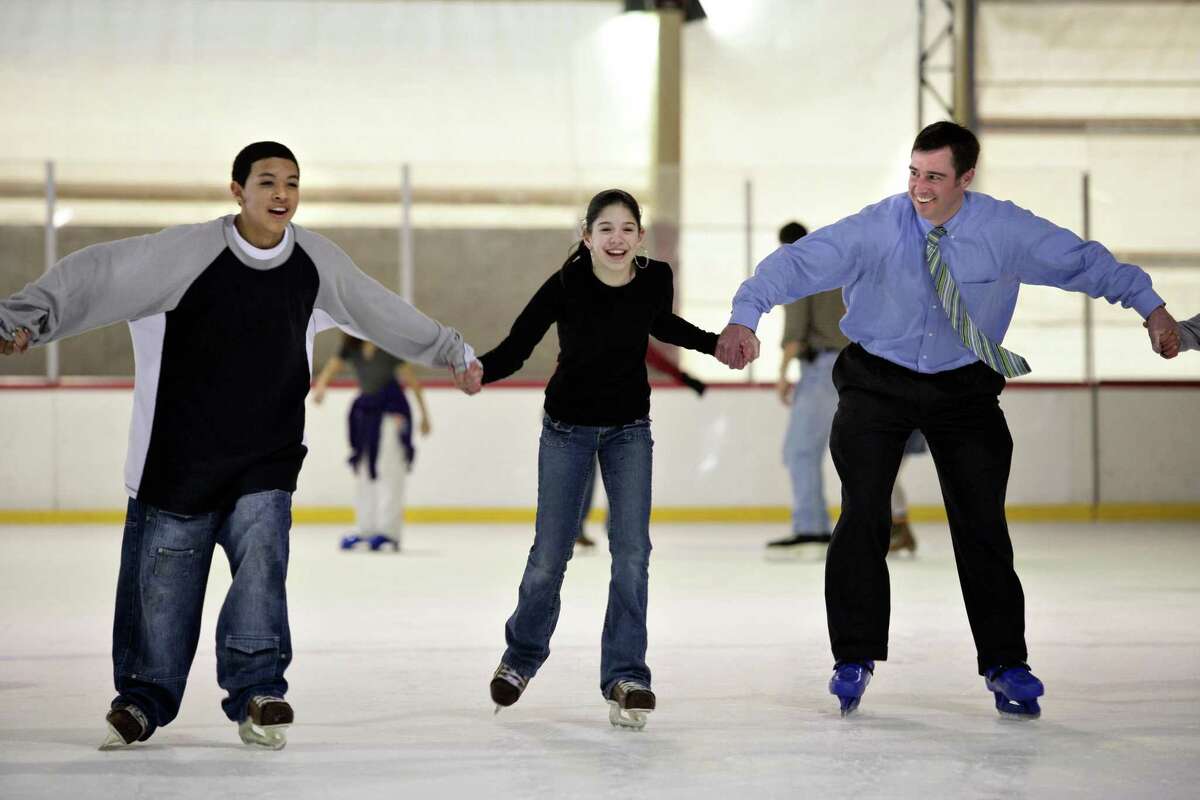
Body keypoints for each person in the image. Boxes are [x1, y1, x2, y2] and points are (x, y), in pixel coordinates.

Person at [0, 141, 482, 750]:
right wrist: (26, 319)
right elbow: (94, 276)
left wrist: (451, 352)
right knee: (163, 591)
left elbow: (378, 310)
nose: (281, 194)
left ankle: (259, 690)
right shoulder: (183, 255)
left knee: (262, 570)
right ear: (237, 190)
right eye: (267, 182)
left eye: (292, 183)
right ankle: (143, 700)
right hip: (176, 461)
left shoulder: (314, 262)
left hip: (266, 457)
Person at [715, 121, 1179, 719]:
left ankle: (1007, 664)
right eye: (914, 172)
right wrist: (744, 314)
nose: (920, 187)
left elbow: (1083, 263)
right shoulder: (879, 226)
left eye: (935, 176)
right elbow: (799, 264)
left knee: (982, 522)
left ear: (966, 177)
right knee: (863, 513)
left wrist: (1151, 308)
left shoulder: (1004, 229)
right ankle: (853, 656)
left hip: (964, 386)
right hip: (877, 379)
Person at [478, 189, 719, 729]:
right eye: (604, 229)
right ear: (586, 237)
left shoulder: (654, 277)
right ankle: (519, 660)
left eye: (626, 229)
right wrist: (479, 371)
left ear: (639, 236)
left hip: (630, 431)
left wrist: (715, 344)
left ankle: (626, 676)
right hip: (566, 430)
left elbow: (664, 326)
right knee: (550, 554)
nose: (616, 238)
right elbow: (518, 345)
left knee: (632, 554)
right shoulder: (567, 283)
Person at [575, 342, 706, 550]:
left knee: (617, 468)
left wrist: (685, 378)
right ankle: (586, 528)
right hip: (575, 411)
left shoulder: (629, 326)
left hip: (608, 410)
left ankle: (612, 527)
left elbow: (653, 357)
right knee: (589, 473)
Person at [766, 221, 849, 552]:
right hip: (846, 367)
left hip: (821, 368)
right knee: (814, 450)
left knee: (800, 450)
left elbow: (797, 332)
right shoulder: (834, 269)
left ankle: (811, 527)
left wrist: (783, 373)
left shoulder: (799, 271)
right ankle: (815, 524)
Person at [312, 335, 431, 552]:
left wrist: (424, 416)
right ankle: (364, 529)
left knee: (390, 469)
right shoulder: (351, 346)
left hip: (391, 410)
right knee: (364, 469)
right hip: (366, 414)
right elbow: (332, 366)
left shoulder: (389, 345)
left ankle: (389, 532)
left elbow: (412, 380)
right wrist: (321, 386)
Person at [887, 431, 927, 555]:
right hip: (901, 429)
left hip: (901, 428)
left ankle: (900, 531)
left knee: (888, 478)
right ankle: (901, 531)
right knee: (889, 478)